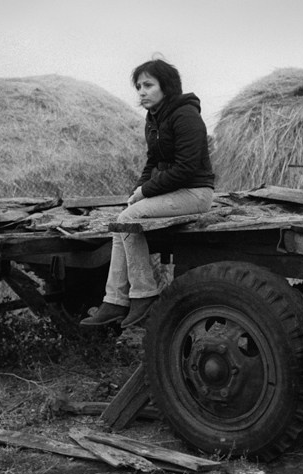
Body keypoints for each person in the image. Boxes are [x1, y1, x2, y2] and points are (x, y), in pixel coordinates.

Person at [81, 58, 215, 328]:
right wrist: (137, 193)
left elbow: (186, 168)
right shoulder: (154, 118)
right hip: (175, 192)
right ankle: (115, 301)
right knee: (123, 222)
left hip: (195, 192)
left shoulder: (186, 116)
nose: (141, 91)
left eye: (148, 85)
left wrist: (146, 190)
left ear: (166, 87)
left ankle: (144, 295)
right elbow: (152, 162)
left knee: (129, 220)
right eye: (139, 86)